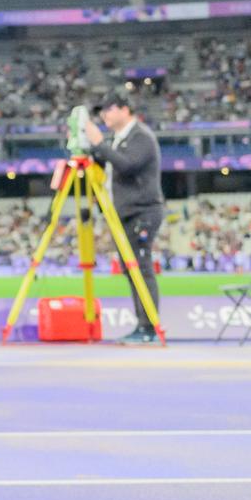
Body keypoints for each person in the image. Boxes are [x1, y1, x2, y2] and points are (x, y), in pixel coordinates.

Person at [80, 91, 164, 344]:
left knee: (141, 268)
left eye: (108, 109)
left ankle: (149, 327)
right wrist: (91, 149)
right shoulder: (118, 139)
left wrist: (99, 144)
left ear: (124, 109)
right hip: (124, 214)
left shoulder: (141, 137)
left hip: (142, 211)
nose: (104, 115)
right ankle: (142, 324)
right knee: (131, 270)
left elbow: (127, 166)